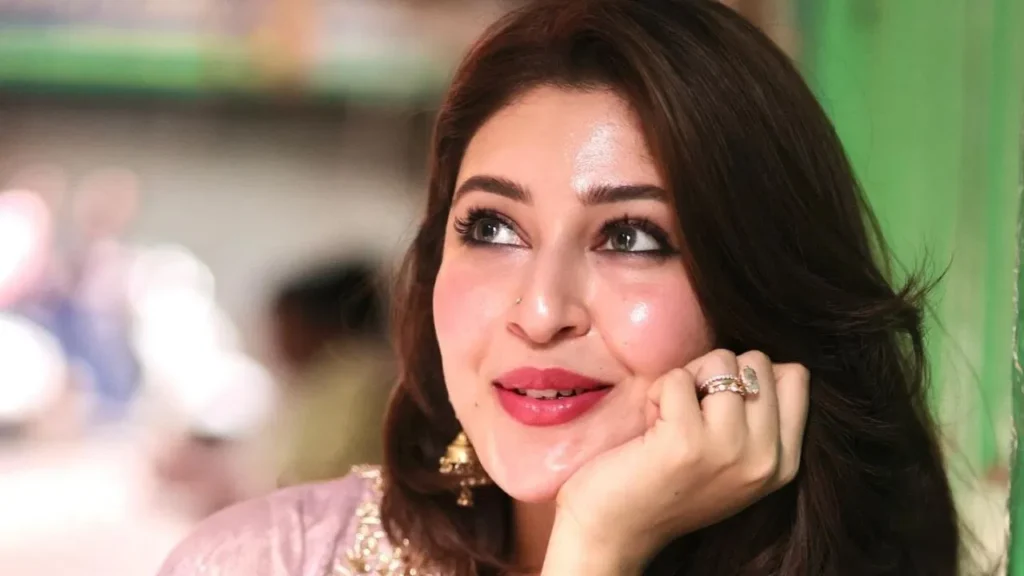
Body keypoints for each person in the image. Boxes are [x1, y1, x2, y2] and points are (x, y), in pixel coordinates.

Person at [158, 1, 962, 575]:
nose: (541, 313)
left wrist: (598, 542)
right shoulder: (265, 561)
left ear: (760, 284)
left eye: (632, 238)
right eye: (492, 227)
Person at [267, 260, 394, 486]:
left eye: (285, 326)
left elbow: (319, 474)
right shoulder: (348, 377)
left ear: (317, 323)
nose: (276, 342)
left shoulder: (351, 380)